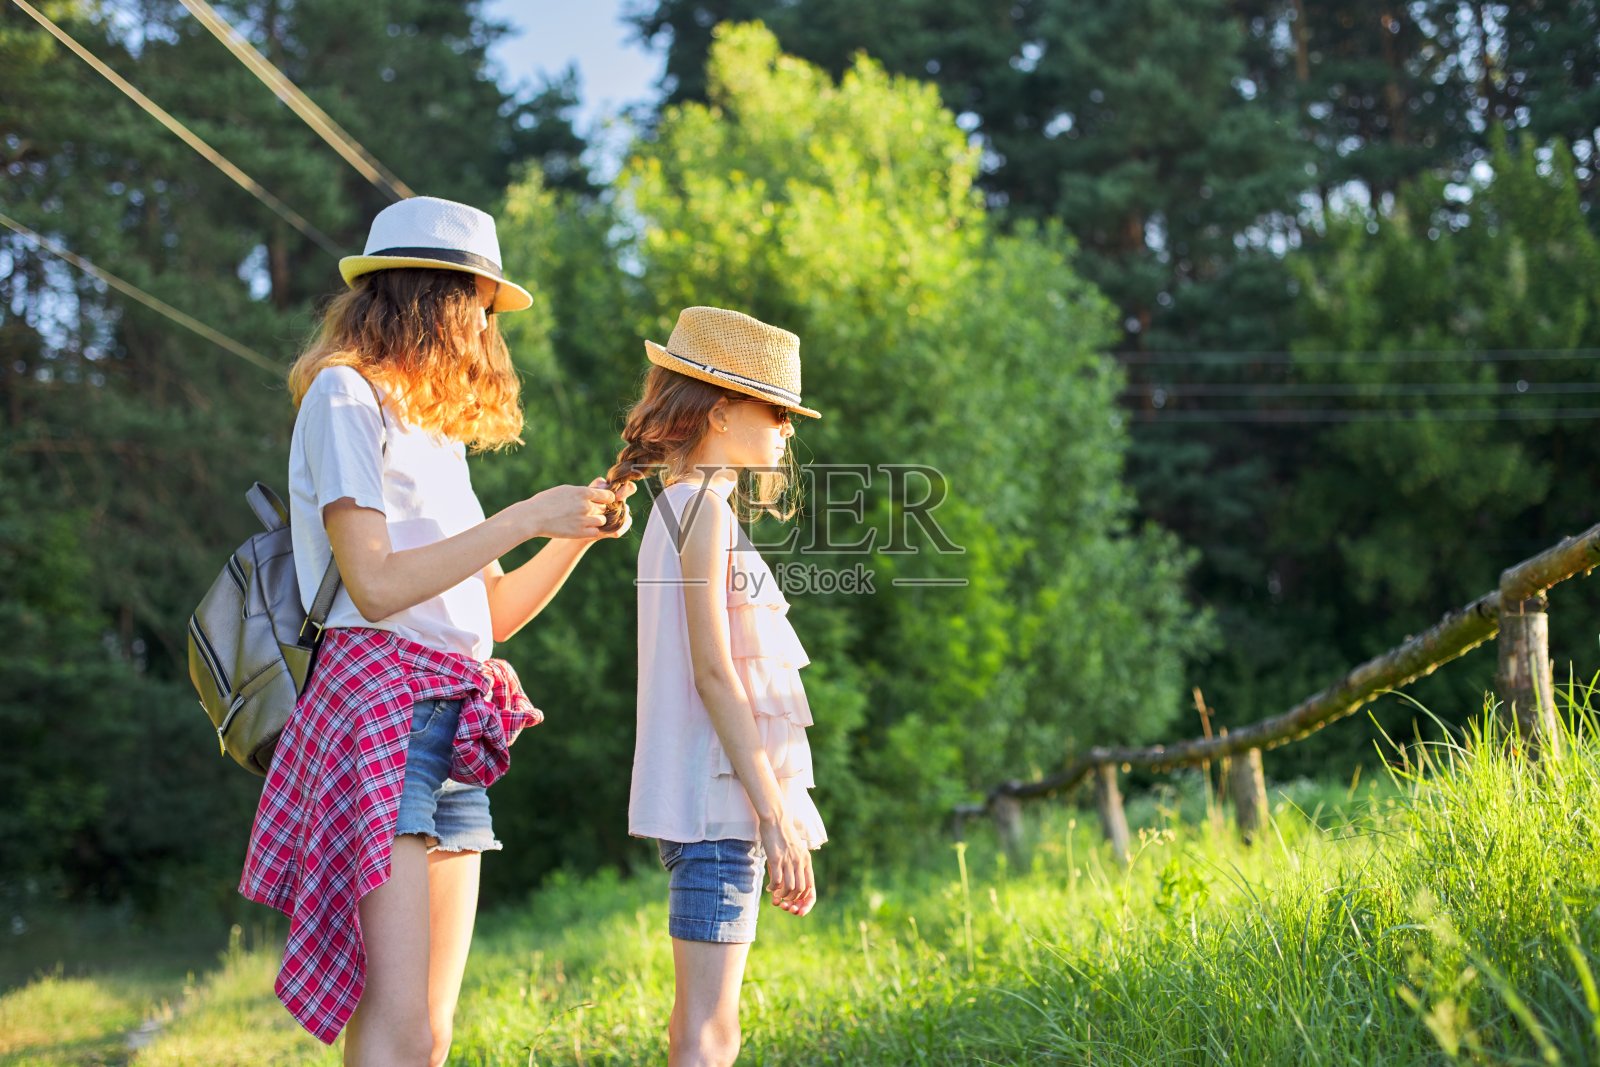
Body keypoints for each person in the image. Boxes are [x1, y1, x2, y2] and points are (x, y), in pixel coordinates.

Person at [239, 195, 633, 1066]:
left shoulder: (432, 430)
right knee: (399, 1019)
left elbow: (486, 617)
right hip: (378, 705)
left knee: (433, 1025)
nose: (488, 332)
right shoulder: (346, 397)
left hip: (453, 713)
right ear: (437, 300)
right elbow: (375, 586)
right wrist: (528, 513)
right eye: (482, 309)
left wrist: (571, 535)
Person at [604, 306, 827, 1067]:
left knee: (698, 1024)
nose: (787, 429)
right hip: (718, 807)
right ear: (723, 407)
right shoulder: (701, 511)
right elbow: (714, 673)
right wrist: (775, 816)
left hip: (706, 805)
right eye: (777, 410)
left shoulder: (679, 506)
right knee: (709, 1032)